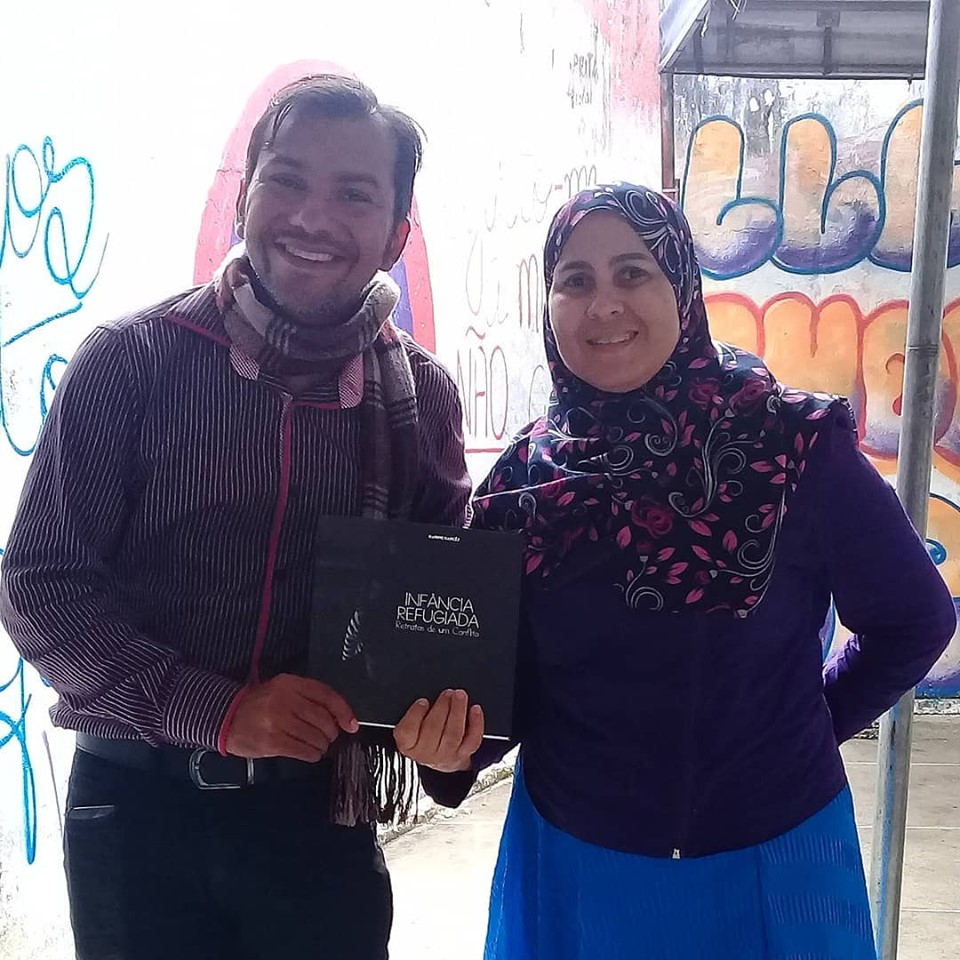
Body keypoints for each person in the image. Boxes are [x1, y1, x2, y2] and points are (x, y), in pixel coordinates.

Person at [402, 183, 957, 959]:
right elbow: (507, 691)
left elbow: (914, 618)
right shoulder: (524, 482)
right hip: (577, 867)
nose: (604, 304)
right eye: (575, 279)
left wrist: (809, 728)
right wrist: (453, 752)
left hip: (775, 861)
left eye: (633, 272)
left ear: (683, 287)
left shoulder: (789, 446)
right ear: (550, 303)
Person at [0, 74, 478, 960]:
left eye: (353, 194)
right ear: (244, 194)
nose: (311, 217)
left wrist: (449, 737)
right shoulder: (132, 363)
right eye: (286, 179)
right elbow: (41, 586)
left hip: (318, 822)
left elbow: (441, 610)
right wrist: (216, 711)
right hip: (136, 818)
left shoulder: (422, 399)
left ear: (395, 235)